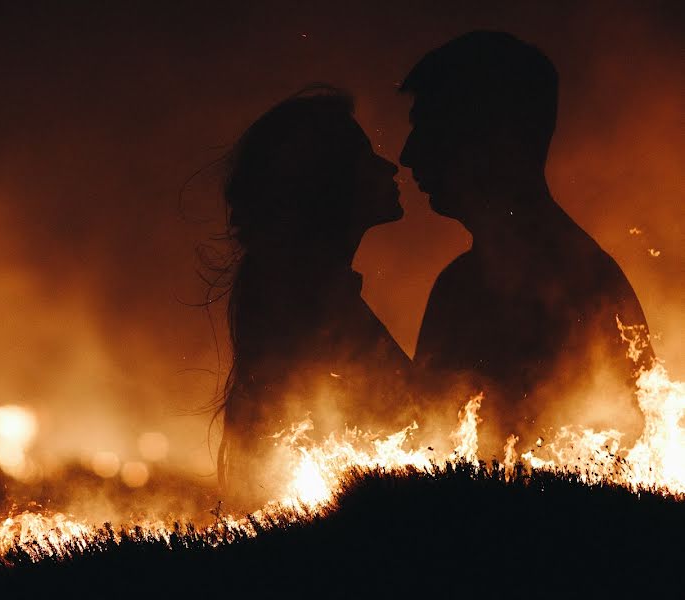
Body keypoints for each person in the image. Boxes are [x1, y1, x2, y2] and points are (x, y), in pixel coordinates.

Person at [399, 31, 653, 451]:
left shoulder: (583, 293)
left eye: (431, 127)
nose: (409, 153)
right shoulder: (460, 284)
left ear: (497, 140)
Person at [212, 85, 411, 503]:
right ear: (328, 184)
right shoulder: (316, 314)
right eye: (365, 157)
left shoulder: (305, 296)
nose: (390, 166)